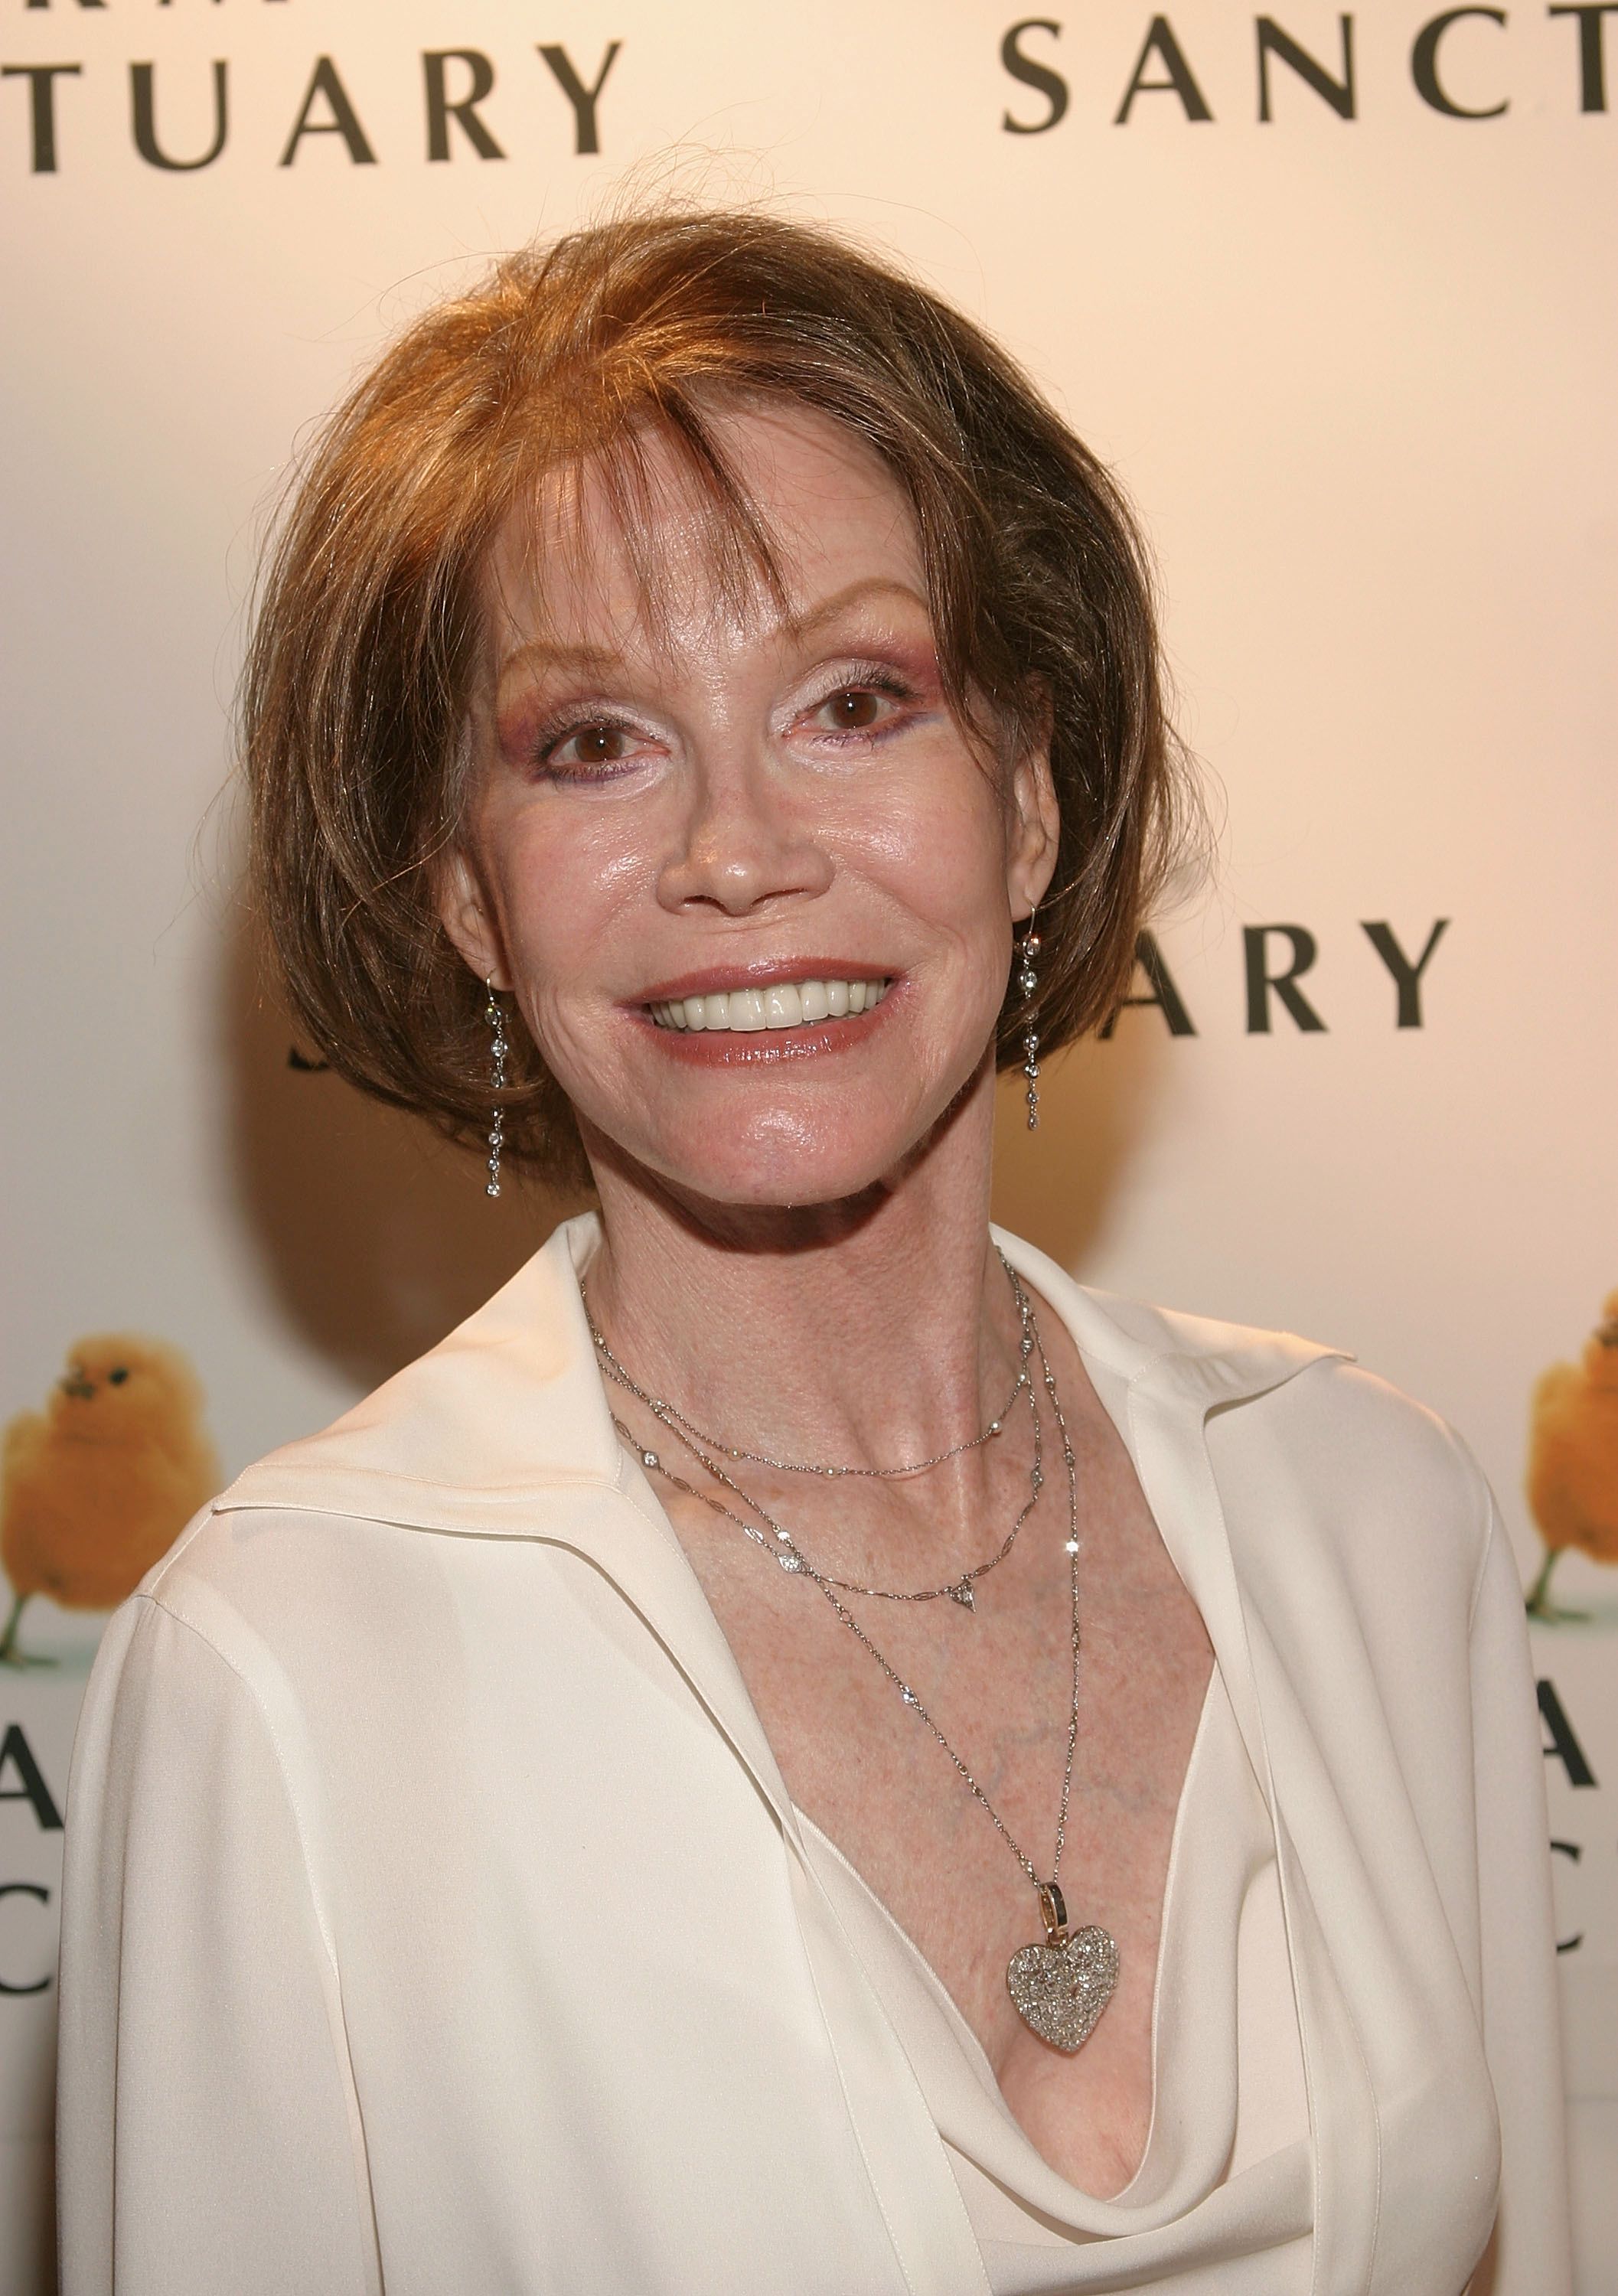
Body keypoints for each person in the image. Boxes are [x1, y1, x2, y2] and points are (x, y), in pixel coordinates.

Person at [56, 207, 1568, 2294]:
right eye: (591, 742)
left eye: (852, 702)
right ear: (468, 902)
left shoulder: (1362, 1509)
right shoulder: (293, 1666)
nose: (740, 855)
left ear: (1024, 802)